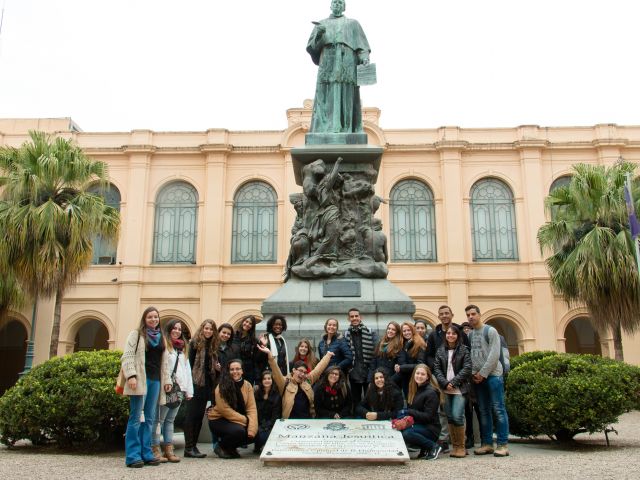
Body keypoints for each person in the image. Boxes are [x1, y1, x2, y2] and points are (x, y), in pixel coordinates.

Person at [306, 0, 371, 135]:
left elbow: (362, 46)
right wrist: (319, 34)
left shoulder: (353, 24)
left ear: (344, 6)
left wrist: (364, 57)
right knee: (326, 95)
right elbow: (312, 48)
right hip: (327, 62)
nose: (337, 4)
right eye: (334, 2)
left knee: (347, 93)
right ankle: (326, 129)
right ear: (330, 5)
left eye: (340, 2)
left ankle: (347, 128)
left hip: (347, 61)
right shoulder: (321, 24)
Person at [121, 306, 164, 468]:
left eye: (156, 317)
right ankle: (132, 455)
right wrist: (131, 375)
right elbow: (127, 355)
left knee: (150, 419)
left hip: (155, 380)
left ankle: (146, 452)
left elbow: (164, 361)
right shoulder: (136, 335)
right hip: (140, 380)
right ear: (144, 319)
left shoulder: (161, 337)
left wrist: (166, 380)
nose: (153, 320)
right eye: (150, 317)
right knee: (136, 417)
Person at [465, 304, 510, 457]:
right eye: (468, 315)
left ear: (479, 314)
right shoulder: (470, 335)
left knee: (498, 409)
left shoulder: (490, 331)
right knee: (483, 411)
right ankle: (487, 443)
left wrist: (483, 373)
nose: (471, 317)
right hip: (478, 378)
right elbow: (471, 356)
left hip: (493, 376)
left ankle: (503, 444)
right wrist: (473, 373)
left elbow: (494, 354)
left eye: (473, 314)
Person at [425, 305, 470, 452]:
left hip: (459, 382)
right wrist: (441, 378)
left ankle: (461, 443)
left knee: (459, 413)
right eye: (441, 314)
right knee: (444, 412)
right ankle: (446, 441)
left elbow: (467, 362)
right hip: (440, 380)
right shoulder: (434, 335)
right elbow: (429, 356)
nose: (444, 316)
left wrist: (454, 381)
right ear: (438, 316)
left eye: (447, 313)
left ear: (452, 314)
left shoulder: (461, 334)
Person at [152, 319, 193, 463]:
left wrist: (188, 390)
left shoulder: (182, 348)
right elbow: (163, 367)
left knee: (170, 420)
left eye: (179, 329)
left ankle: (169, 450)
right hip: (167, 387)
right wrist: (166, 382)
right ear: (168, 329)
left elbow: (187, 370)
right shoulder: (164, 345)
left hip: (179, 389)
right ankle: (155, 449)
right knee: (159, 420)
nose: (177, 331)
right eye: (174, 328)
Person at [257, 342, 333, 419]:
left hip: (307, 421)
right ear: (293, 370)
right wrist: (269, 354)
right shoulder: (285, 382)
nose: (302, 374)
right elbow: (276, 371)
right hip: (289, 422)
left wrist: (328, 355)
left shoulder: (307, 380)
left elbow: (318, 370)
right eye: (300, 371)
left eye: (304, 372)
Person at [433, 325, 472, 458]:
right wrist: (445, 383)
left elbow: (467, 368)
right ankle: (454, 446)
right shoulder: (440, 350)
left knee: (457, 415)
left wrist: (453, 382)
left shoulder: (464, 350)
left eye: (453, 333)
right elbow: (436, 368)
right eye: (448, 333)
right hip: (445, 389)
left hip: (459, 389)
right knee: (449, 417)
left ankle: (461, 446)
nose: (450, 335)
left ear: (458, 335)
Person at [207, 359, 258, 459]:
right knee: (239, 432)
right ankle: (220, 446)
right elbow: (224, 410)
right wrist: (245, 420)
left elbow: (251, 408)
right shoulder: (222, 386)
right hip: (219, 420)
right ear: (228, 371)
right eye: (232, 369)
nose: (235, 372)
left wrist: (252, 428)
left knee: (256, 434)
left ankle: (230, 448)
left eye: (238, 369)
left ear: (242, 371)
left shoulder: (247, 385)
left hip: (237, 420)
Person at [183, 319, 219, 459]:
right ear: (202, 329)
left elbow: (211, 367)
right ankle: (188, 447)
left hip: (206, 385)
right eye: (206, 328)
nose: (208, 331)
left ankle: (193, 446)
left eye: (211, 329)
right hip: (195, 384)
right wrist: (188, 386)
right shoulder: (194, 344)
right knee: (191, 416)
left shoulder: (213, 346)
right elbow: (189, 365)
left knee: (198, 417)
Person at [401, 364, 442, 461]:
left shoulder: (431, 392)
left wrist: (409, 412)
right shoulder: (414, 390)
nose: (419, 376)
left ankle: (433, 447)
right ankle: (425, 449)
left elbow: (428, 417)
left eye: (422, 374)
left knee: (407, 434)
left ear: (428, 376)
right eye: (417, 373)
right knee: (400, 429)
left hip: (431, 429)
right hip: (420, 425)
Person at [344, 308, 378, 411]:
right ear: (348, 318)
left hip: (368, 372)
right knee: (356, 401)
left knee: (370, 400)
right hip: (354, 373)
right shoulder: (346, 335)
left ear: (360, 317)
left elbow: (376, 353)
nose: (354, 318)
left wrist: (373, 371)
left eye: (356, 316)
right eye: (352, 316)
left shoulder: (371, 332)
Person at [253, 370, 282, 454]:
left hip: (271, 424)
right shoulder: (257, 394)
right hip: (259, 422)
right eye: (264, 379)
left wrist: (267, 425)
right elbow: (255, 411)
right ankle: (258, 444)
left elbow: (276, 415)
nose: (267, 380)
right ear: (261, 381)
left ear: (272, 380)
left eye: (269, 378)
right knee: (257, 432)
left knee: (264, 434)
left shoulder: (277, 395)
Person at [396, 322, 427, 395]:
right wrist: (398, 366)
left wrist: (401, 367)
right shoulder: (402, 344)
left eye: (408, 330)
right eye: (404, 331)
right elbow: (401, 361)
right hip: (405, 379)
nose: (406, 332)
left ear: (413, 330)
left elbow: (420, 364)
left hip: (416, 380)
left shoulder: (419, 343)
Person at [233, 315, 260, 384]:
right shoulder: (233, 336)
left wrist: (257, 379)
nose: (247, 324)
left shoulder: (254, 341)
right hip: (234, 371)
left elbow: (255, 360)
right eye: (246, 321)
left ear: (252, 326)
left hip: (248, 372)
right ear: (242, 322)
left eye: (250, 323)